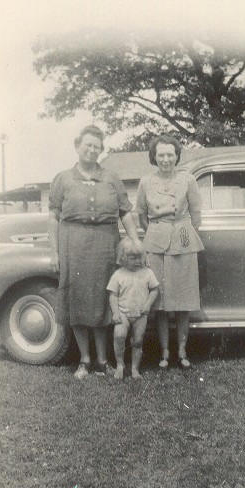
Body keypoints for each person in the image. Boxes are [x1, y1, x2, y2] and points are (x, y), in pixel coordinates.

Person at [48, 125, 140, 379]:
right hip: (73, 244)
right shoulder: (63, 179)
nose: (92, 150)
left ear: (101, 150)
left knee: (103, 299)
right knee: (77, 299)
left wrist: (135, 240)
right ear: (77, 146)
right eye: (87, 145)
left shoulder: (111, 178)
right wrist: (54, 251)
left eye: (97, 146)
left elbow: (125, 212)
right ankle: (84, 360)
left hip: (105, 244)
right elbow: (53, 217)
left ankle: (102, 360)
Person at [135, 134, 204, 369]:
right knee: (160, 301)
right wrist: (157, 232)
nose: (165, 159)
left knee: (183, 300)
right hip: (155, 242)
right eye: (161, 155)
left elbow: (196, 215)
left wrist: (183, 234)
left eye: (170, 154)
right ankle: (164, 352)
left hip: (183, 240)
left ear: (177, 156)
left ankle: (182, 351)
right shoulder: (146, 182)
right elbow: (141, 215)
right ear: (154, 157)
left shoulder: (188, 180)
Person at [107, 238, 160, 380]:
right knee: (119, 336)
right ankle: (120, 364)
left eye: (139, 257)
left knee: (138, 341)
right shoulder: (119, 274)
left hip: (140, 314)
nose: (137, 261)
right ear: (123, 258)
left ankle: (135, 368)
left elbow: (155, 290)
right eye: (132, 258)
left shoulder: (147, 273)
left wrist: (148, 304)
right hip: (123, 313)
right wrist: (115, 312)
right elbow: (113, 295)